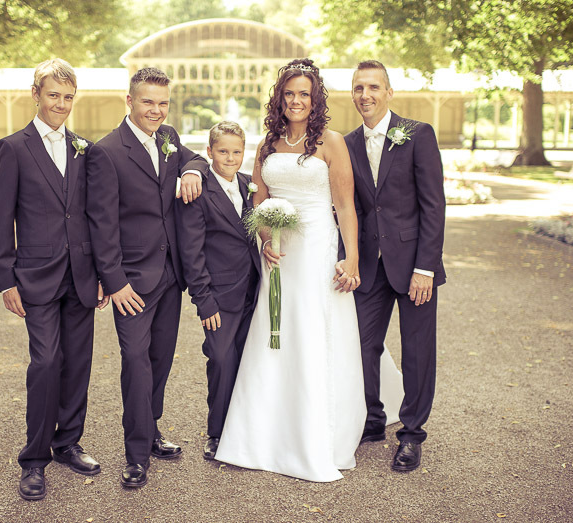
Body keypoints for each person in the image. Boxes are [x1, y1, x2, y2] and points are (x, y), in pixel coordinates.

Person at [214, 58, 403, 482]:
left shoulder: (330, 142)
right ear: (279, 99)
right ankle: (264, 431)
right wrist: (266, 240)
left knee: (314, 332)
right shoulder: (267, 145)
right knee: (276, 332)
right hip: (280, 257)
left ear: (315, 99)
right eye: (289, 93)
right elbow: (259, 202)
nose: (296, 100)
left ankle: (318, 432)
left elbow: (345, 207)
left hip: (318, 249)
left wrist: (351, 258)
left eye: (304, 94)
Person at [0, 58, 109, 501]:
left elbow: (95, 215)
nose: (61, 104)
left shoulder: (85, 148)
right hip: (35, 277)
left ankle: (67, 442)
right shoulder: (13, 148)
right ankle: (34, 459)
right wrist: (6, 280)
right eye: (53, 95)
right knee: (45, 363)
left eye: (68, 97)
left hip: (81, 275)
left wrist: (101, 274)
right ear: (35, 94)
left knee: (78, 362)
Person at [85, 67, 209, 488]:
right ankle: (136, 456)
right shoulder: (106, 152)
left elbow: (196, 157)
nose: (156, 110)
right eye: (148, 102)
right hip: (132, 282)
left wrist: (192, 171)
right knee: (136, 362)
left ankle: (152, 429)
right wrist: (115, 281)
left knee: (160, 359)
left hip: (170, 275)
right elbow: (102, 224)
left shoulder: (168, 137)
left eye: (162, 103)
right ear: (130, 101)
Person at [344, 60, 446, 472]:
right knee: (360, 344)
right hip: (370, 265)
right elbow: (352, 208)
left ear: (389, 92)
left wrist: (426, 267)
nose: (365, 95)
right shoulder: (348, 143)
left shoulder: (418, 134)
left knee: (417, 351)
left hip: (414, 263)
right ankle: (372, 419)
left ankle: (412, 434)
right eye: (358, 88)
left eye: (373, 87)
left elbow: (433, 206)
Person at [175, 121, 261, 461]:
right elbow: (191, 252)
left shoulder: (250, 186)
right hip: (219, 296)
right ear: (209, 152)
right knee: (222, 360)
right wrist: (204, 301)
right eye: (223, 151)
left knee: (249, 359)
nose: (230, 158)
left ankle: (246, 426)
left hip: (253, 289)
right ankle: (218, 432)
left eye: (236, 152)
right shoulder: (198, 190)